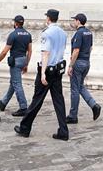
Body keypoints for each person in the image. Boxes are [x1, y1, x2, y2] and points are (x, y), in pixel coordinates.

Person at [15, 9, 69, 141]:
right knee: (59, 101)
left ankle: (25, 128)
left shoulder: (47, 33)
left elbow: (45, 53)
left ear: (48, 18)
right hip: (58, 69)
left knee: (37, 100)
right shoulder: (63, 33)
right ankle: (63, 130)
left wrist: (43, 73)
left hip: (47, 69)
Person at [66, 13, 101, 125]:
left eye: (74, 20)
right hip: (86, 62)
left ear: (78, 21)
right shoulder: (89, 33)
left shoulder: (79, 33)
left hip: (78, 63)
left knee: (75, 89)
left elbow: (76, 50)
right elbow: (90, 48)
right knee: (80, 86)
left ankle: (73, 115)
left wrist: (71, 65)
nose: (73, 22)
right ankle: (94, 105)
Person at [0, 15, 32, 117]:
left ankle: (23, 107)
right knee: (13, 82)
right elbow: (30, 51)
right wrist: (26, 63)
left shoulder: (13, 35)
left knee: (17, 84)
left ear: (15, 23)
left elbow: (4, 52)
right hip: (23, 60)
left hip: (15, 61)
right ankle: (3, 102)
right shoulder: (28, 34)